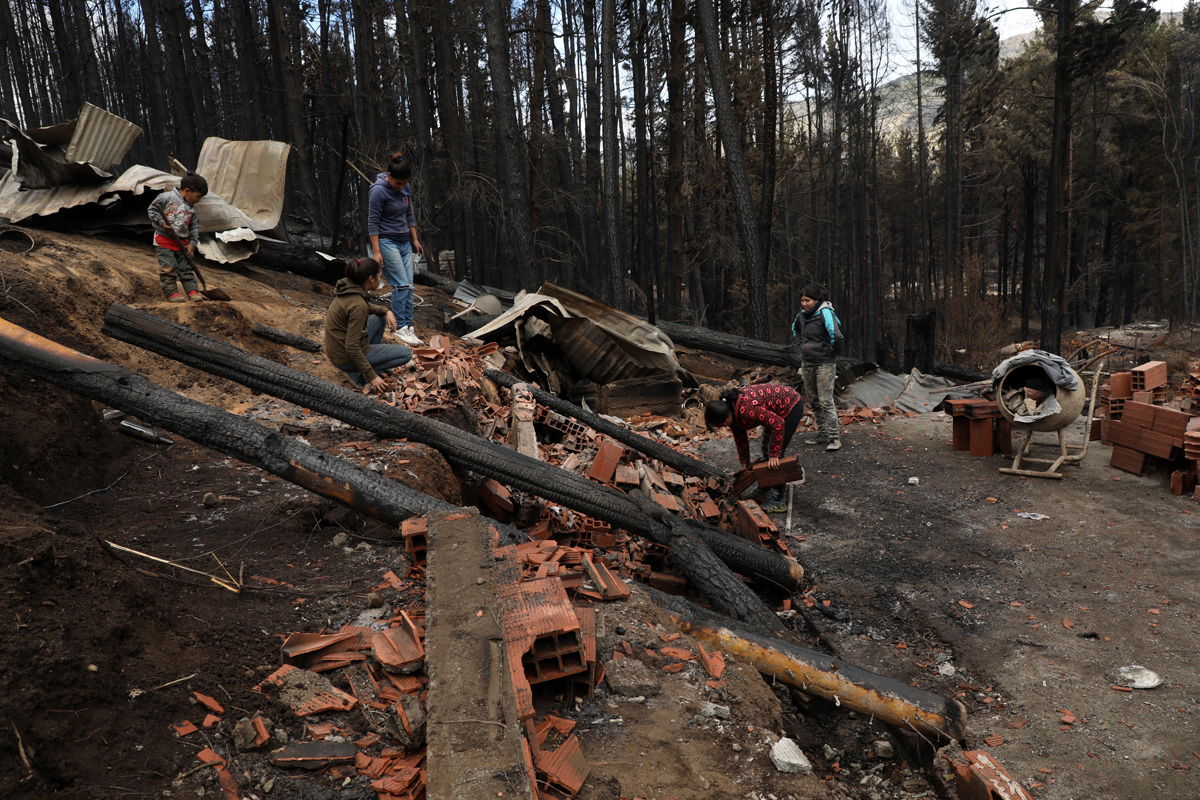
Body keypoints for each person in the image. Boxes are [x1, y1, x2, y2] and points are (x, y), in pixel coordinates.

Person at [704, 383, 804, 513]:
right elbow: (740, 436)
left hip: (790, 406)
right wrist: (745, 460)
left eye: (721, 425)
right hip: (774, 414)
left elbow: (778, 423)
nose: (723, 427)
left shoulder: (746, 410)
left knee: (774, 456)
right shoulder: (731, 411)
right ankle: (765, 489)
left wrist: (775, 454)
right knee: (765, 452)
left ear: (727, 417)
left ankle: (777, 499)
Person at [324, 257, 413, 392]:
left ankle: (369, 361)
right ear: (371, 278)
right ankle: (358, 370)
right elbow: (351, 346)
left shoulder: (349, 289)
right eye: (379, 276)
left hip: (337, 350)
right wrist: (372, 376)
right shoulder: (358, 305)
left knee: (379, 318)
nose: (381, 279)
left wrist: (386, 311)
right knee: (405, 354)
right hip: (345, 357)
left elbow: (367, 306)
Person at [368, 153, 425, 346]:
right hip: (387, 242)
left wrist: (414, 239)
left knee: (409, 285)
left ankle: (408, 326)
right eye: (398, 184)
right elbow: (373, 222)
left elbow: (409, 213)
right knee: (400, 284)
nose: (401, 187)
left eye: (404, 184)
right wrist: (377, 251)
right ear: (389, 175)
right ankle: (400, 327)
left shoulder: (406, 187)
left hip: (404, 242)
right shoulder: (378, 192)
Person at [793, 284, 843, 451]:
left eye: (807, 300)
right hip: (807, 363)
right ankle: (822, 434)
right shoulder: (801, 315)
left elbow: (836, 335)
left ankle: (834, 437)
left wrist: (829, 352)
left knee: (826, 400)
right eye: (802, 300)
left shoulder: (825, 313)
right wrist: (801, 346)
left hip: (825, 364)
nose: (804, 304)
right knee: (813, 400)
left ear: (816, 300)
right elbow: (795, 330)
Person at [148, 171, 208, 303]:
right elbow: (151, 210)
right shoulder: (166, 198)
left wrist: (192, 245)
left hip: (182, 243)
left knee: (186, 268)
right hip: (163, 240)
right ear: (187, 191)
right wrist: (162, 224)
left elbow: (194, 228)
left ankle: (192, 291)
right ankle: (171, 293)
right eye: (198, 196)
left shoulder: (193, 210)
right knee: (169, 268)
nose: (199, 200)